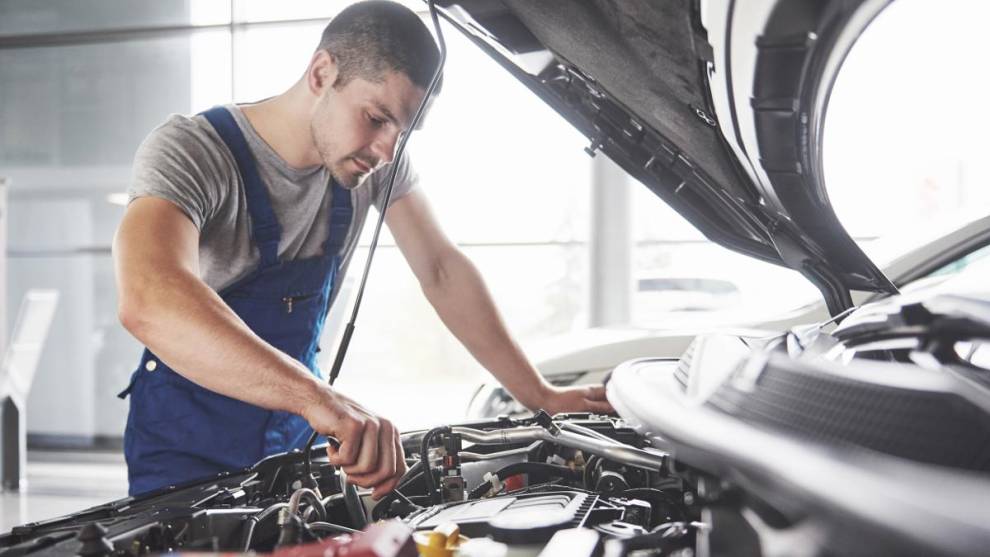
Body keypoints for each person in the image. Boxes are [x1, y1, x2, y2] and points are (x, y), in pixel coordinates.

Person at [113, 0, 612, 499]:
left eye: (403, 131)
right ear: (322, 72)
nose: (387, 152)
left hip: (289, 437)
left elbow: (441, 270)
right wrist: (317, 397)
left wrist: (540, 395)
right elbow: (149, 297)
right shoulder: (193, 151)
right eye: (376, 118)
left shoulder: (368, 166)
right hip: (184, 442)